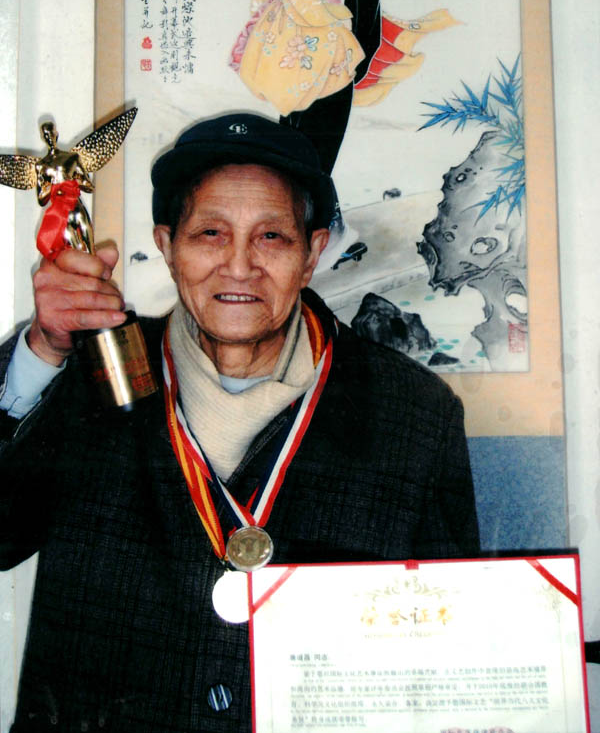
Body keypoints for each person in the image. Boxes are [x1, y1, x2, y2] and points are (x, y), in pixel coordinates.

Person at [0, 112, 479, 732]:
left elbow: (450, 637)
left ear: (312, 254)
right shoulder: (94, 377)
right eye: (210, 233)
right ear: (168, 247)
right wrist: (42, 349)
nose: (239, 265)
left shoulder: (413, 413)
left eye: (271, 237)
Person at [230, 0, 458, 176]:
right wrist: (318, 13)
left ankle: (322, 197)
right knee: (296, 147)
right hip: (298, 60)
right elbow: (263, 3)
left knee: (327, 144)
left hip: (339, 55)